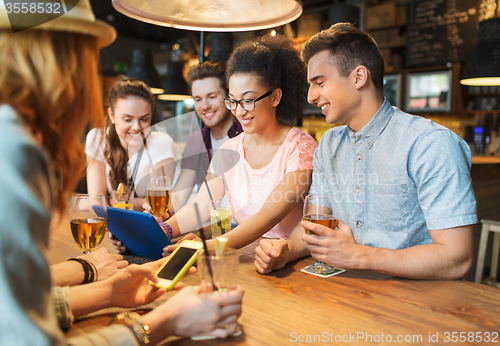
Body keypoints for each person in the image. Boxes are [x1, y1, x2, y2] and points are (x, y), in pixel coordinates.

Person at [0, 1, 243, 344]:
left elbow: (14, 304)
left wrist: (107, 293)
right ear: (68, 57)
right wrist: (163, 322)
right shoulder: (13, 147)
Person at [254, 23, 477, 280]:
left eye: (319, 82)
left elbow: (457, 258)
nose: (311, 96)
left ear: (359, 77)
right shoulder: (328, 145)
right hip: (348, 297)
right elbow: (319, 229)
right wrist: (286, 250)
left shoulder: (431, 144)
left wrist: (357, 256)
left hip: (420, 305)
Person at [86, 77, 177, 210]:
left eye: (144, 119)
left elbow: (156, 205)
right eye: (128, 119)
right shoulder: (97, 138)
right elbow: (96, 202)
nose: (136, 127)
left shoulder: (161, 143)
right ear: (111, 115)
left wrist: (114, 202)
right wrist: (139, 203)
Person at [170, 60, 243, 210]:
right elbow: (179, 195)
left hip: (245, 226)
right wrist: (159, 213)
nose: (204, 106)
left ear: (228, 97)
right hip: (209, 226)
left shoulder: (246, 134)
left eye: (212, 96)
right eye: (198, 99)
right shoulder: (196, 140)